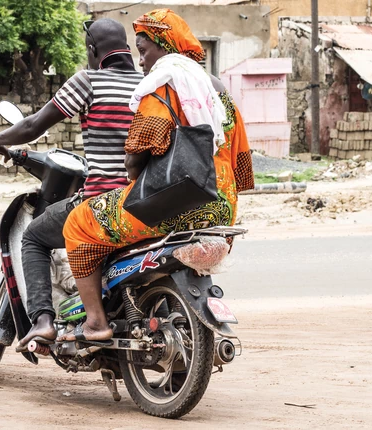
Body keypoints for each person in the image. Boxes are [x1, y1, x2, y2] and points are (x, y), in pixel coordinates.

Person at [59, 9, 254, 342]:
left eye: (143, 50)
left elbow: (134, 160)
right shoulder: (220, 96)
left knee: (77, 224)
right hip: (223, 210)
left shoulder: (162, 88)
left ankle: (94, 321)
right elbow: (242, 171)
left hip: (167, 207)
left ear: (164, 45)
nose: (140, 62)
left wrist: (137, 173)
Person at [0, 18, 144, 351]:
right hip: (144, 200)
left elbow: (32, 126)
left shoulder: (89, 81)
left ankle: (43, 321)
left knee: (34, 237)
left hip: (103, 201)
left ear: (93, 51)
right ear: (127, 49)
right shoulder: (147, 84)